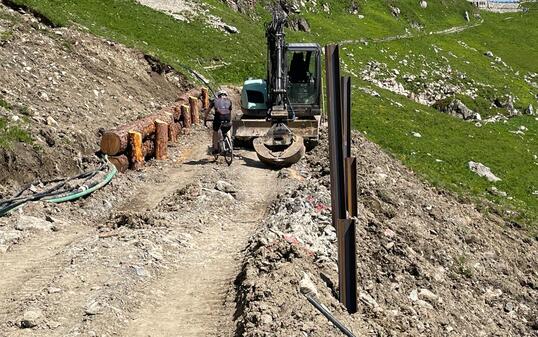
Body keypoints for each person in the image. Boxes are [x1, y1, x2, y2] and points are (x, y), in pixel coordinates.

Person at [204, 90, 232, 154]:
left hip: (218, 120)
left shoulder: (214, 101)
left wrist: (205, 118)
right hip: (227, 120)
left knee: (215, 132)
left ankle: (216, 149)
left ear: (218, 96)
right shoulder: (229, 101)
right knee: (227, 130)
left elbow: (207, 111)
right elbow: (229, 111)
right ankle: (230, 145)